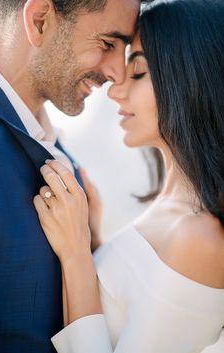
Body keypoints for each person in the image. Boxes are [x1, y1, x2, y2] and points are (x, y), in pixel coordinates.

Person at [34, 0, 224, 352]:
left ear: (190, 79)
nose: (115, 88)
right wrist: (94, 238)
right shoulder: (169, 212)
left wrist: (76, 254)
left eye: (137, 73)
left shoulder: (201, 239)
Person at [0, 0, 140, 352]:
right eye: (106, 44)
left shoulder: (64, 158)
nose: (118, 73)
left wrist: (93, 243)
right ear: (40, 21)